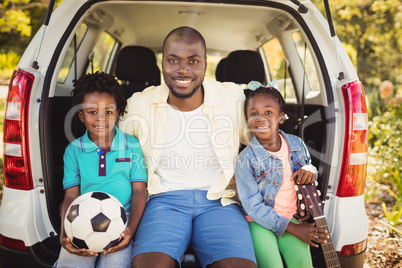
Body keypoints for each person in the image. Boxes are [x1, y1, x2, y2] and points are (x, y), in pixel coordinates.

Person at [120, 26, 256, 268]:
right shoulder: (140, 103)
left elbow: (262, 144)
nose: (183, 69)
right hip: (162, 200)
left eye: (193, 61)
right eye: (174, 60)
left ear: (205, 63)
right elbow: (112, 152)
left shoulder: (233, 99)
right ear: (163, 63)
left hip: (221, 200)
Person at [57, 72, 148, 268]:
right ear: (81, 115)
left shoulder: (131, 145)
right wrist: (65, 234)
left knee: (116, 264)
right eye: (92, 112)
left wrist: (131, 229)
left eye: (108, 112)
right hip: (81, 224)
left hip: (121, 224)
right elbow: (71, 196)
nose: (101, 119)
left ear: (118, 113)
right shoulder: (74, 151)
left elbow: (140, 191)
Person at [235, 82, 330, 268]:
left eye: (268, 112)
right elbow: (253, 206)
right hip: (259, 222)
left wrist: (310, 171)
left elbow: (308, 168)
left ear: (281, 117)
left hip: (291, 216)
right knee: (272, 265)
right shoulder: (245, 160)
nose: (260, 118)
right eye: (254, 114)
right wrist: (293, 228)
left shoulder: (296, 144)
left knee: (303, 264)